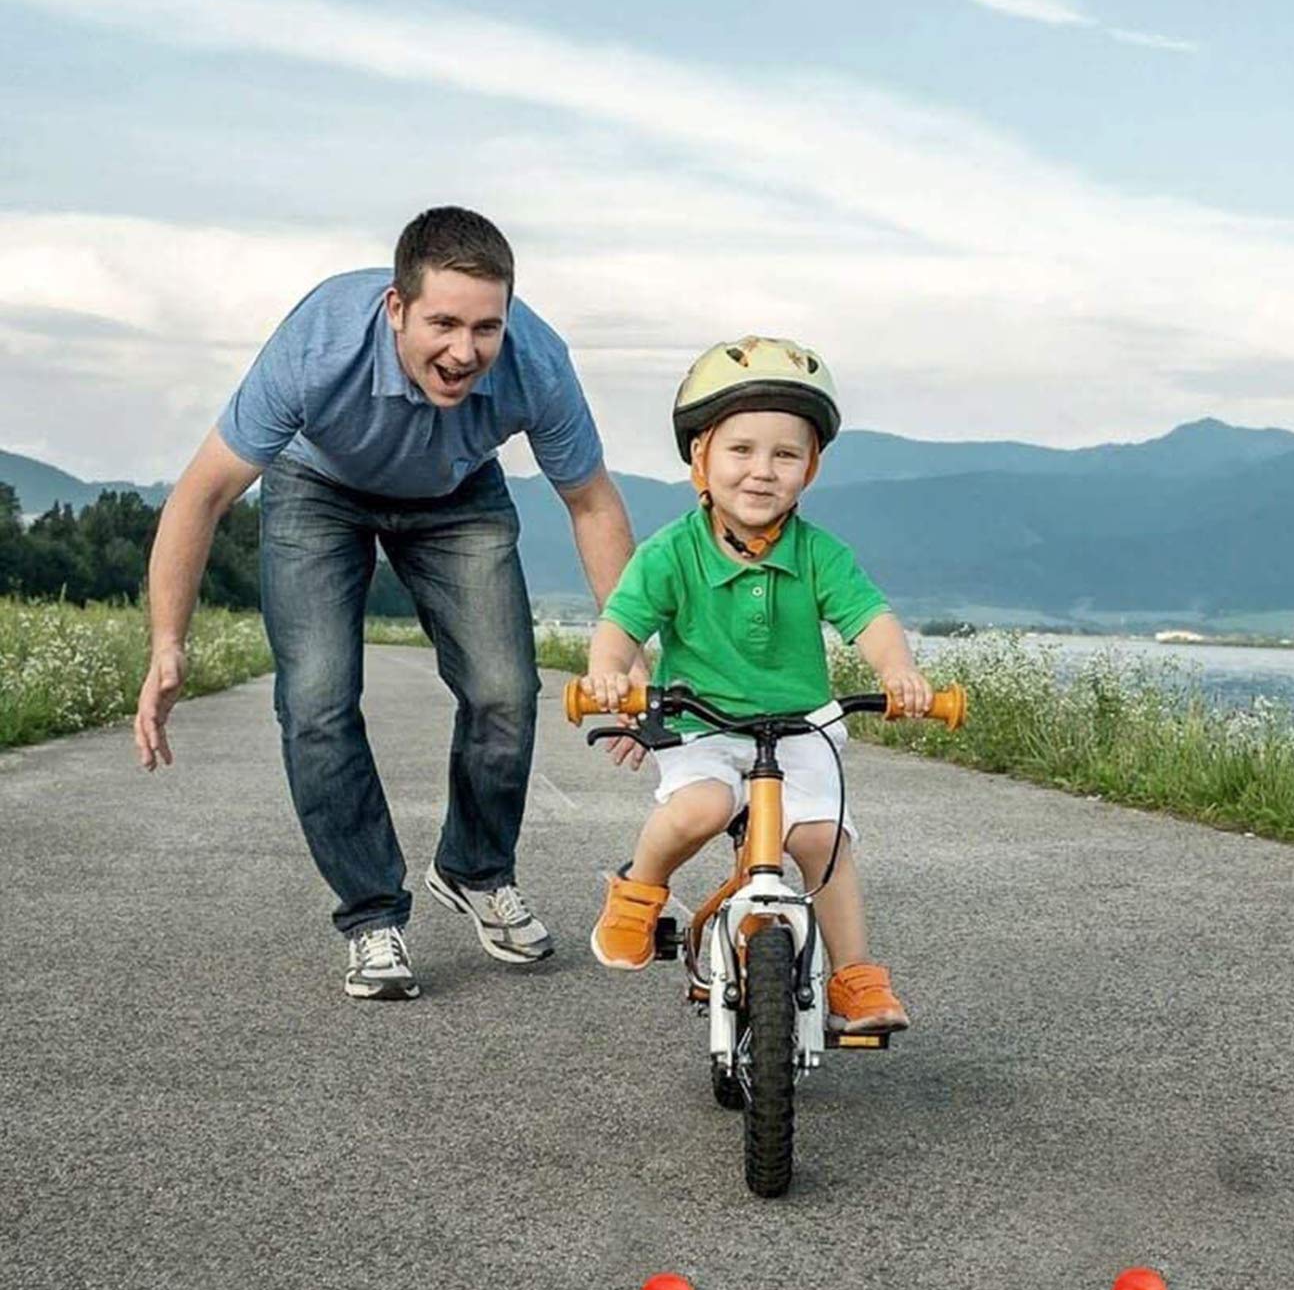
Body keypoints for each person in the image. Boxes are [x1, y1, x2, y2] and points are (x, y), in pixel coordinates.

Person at [133, 207, 641, 1001]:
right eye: (442, 322)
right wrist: (169, 642)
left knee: (506, 688)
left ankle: (475, 869)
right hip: (318, 486)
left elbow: (592, 503)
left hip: (457, 490)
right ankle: (373, 914)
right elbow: (202, 495)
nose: (464, 351)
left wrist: (628, 640)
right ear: (396, 309)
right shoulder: (318, 347)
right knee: (318, 699)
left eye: (485, 328)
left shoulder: (537, 360)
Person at [579, 336, 931, 1034]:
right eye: (740, 451)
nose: (762, 472)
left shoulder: (819, 553)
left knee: (821, 840)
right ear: (699, 461)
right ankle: (638, 892)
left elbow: (871, 618)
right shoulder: (671, 553)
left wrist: (899, 671)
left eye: (785, 454)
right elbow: (621, 621)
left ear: (812, 467)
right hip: (701, 723)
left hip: (803, 725)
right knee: (700, 807)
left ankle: (855, 977)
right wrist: (608, 673)